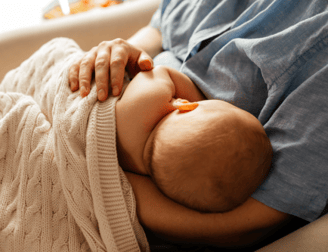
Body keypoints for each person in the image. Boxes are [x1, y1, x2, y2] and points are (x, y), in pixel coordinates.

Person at [69, 0, 328, 248]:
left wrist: (101, 184)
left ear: (185, 104)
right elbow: (158, 29)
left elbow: (158, 72)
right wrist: (120, 50)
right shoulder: (157, 171)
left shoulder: (145, 108)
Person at [116, 65, 273, 213]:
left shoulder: (146, 104)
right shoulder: (140, 175)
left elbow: (158, 72)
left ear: (186, 106)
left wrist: (196, 97)